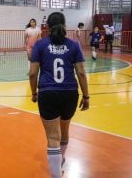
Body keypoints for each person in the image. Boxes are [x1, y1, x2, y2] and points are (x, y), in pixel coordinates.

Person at [29, 12, 89, 178]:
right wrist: (86, 96)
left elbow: (33, 73)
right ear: (64, 25)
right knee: (64, 129)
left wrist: (34, 93)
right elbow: (82, 73)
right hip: (70, 93)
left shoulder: (40, 45)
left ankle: (56, 174)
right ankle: (60, 159)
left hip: (48, 93)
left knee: (53, 137)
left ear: (47, 27)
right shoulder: (74, 45)